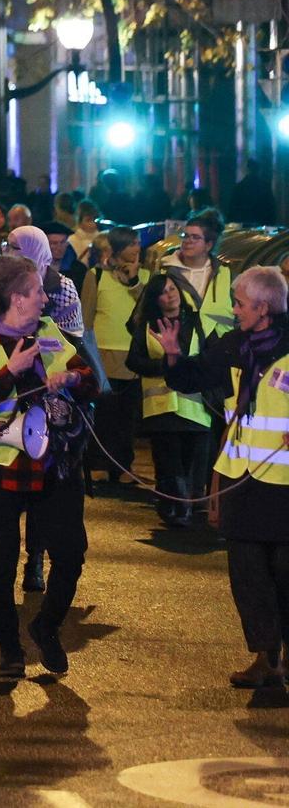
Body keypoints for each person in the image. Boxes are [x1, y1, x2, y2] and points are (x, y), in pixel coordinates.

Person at [0, 253, 98, 678]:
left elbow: (91, 379)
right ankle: (9, 649)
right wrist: (10, 371)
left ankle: (47, 626)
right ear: (16, 297)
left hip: (54, 463)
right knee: (0, 561)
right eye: (37, 291)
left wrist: (72, 378)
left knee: (71, 552)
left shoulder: (51, 330)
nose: (44, 297)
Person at [156, 266, 289, 689]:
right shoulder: (235, 345)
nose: (233, 310)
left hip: (285, 487)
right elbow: (193, 378)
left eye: (239, 303)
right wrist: (173, 354)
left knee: (285, 575)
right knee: (248, 576)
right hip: (242, 479)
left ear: (263, 307)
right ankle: (267, 660)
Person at [125, 271, 211, 529]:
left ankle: (185, 504)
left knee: (190, 461)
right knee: (167, 461)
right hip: (161, 409)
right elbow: (134, 361)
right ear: (155, 299)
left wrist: (182, 366)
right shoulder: (147, 326)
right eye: (163, 292)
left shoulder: (196, 323)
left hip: (194, 409)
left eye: (173, 289)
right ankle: (175, 507)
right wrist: (165, 365)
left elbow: (207, 357)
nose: (170, 295)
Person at [81, 232, 144, 493]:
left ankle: (124, 466)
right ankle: (99, 463)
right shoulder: (96, 276)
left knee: (127, 417)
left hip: (134, 356)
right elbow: (85, 319)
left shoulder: (147, 276)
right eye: (131, 243)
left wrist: (134, 281)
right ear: (117, 248)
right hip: (104, 355)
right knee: (104, 414)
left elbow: (146, 309)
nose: (137, 248)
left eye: (138, 243)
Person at [169, 208, 236, 341]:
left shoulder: (226, 275)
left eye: (195, 237)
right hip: (176, 352)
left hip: (217, 353)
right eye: (185, 236)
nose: (188, 241)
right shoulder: (167, 272)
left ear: (208, 245)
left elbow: (241, 316)